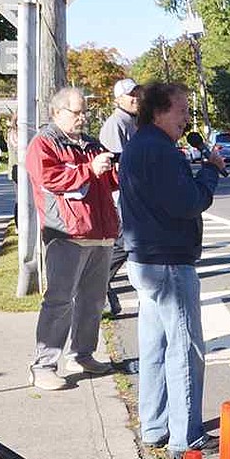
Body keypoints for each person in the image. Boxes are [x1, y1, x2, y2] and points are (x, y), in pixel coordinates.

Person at [119, 82, 224, 457]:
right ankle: (185, 434)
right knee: (184, 347)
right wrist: (210, 172)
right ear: (160, 111)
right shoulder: (160, 151)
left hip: (145, 259)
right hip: (168, 261)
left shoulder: (139, 146)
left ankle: (155, 424)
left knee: (154, 347)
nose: (186, 118)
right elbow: (187, 202)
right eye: (181, 111)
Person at [26, 87, 118, 391]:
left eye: (84, 112)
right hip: (66, 233)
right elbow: (49, 178)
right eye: (76, 112)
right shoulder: (44, 144)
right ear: (56, 112)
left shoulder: (91, 144)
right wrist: (89, 169)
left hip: (100, 233)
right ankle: (44, 365)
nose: (82, 117)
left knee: (92, 301)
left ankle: (82, 354)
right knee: (59, 301)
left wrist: (114, 168)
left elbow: (109, 182)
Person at [99, 78, 141, 316]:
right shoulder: (116, 124)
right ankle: (97, 284)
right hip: (121, 196)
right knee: (124, 243)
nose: (136, 98)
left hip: (135, 196)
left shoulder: (133, 122)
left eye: (137, 93)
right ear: (118, 99)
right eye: (130, 94)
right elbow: (117, 165)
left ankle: (105, 293)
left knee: (128, 244)